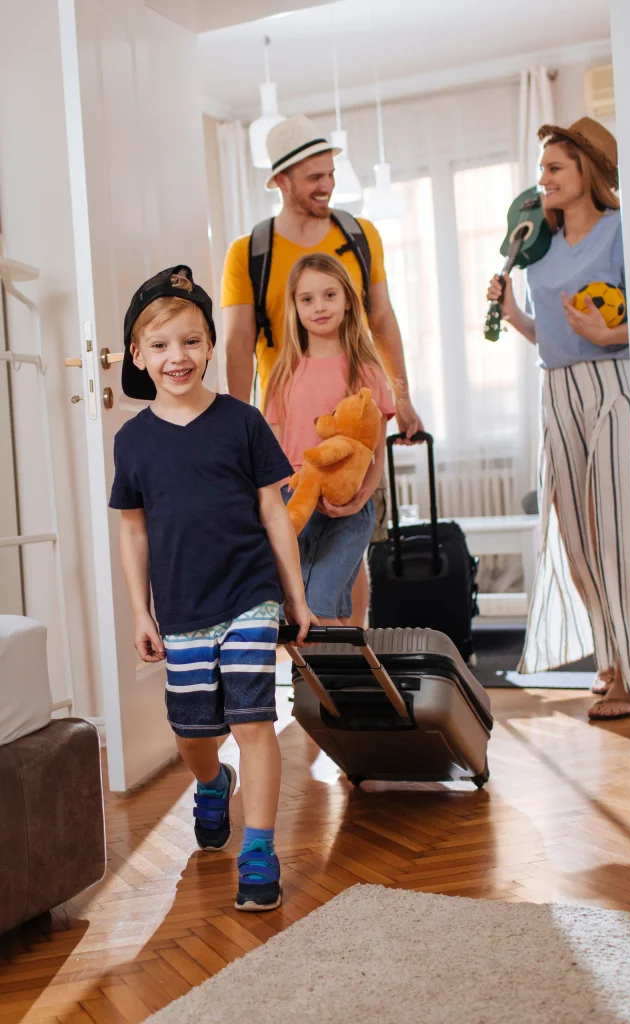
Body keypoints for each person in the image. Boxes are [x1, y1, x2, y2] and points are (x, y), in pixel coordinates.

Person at [109, 265, 317, 911]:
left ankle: (258, 852)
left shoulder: (242, 421)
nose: (180, 357)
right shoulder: (133, 442)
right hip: (181, 607)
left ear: (209, 346)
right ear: (138, 356)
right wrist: (140, 611)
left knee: (254, 719)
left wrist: (296, 596)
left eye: (193, 341)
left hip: (249, 593)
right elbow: (134, 533)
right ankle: (209, 781)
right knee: (192, 730)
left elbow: (274, 512)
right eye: (163, 345)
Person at [221, 113, 423, 624]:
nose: (327, 185)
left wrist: (400, 395)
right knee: (293, 553)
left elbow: (381, 320)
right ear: (282, 180)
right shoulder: (249, 253)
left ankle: (349, 662)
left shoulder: (360, 234)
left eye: (330, 172)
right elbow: (240, 342)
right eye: (314, 177)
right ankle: (317, 672)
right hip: (285, 428)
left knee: (351, 548)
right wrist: (237, 425)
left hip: (357, 425)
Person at [487, 117, 630, 720]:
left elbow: (621, 328)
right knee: (577, 535)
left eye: (555, 168)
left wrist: (611, 331)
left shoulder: (622, 232)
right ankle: (613, 657)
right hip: (558, 391)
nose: (543, 179)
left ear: (588, 174)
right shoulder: (538, 250)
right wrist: (510, 310)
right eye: (543, 168)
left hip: (613, 385)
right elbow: (543, 334)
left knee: (617, 533)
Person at [264, 253, 396, 624]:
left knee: (320, 608)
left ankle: (340, 681)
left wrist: (358, 501)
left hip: (347, 506)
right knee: (297, 610)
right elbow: (271, 452)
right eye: (307, 299)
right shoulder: (283, 375)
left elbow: (376, 453)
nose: (319, 307)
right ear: (294, 307)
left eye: (329, 295)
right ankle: (322, 682)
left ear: (348, 301)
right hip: (295, 504)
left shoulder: (365, 371)